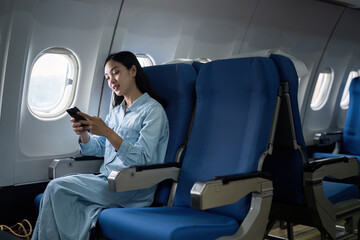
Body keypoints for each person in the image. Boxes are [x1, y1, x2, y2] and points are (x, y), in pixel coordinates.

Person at [32, 51, 169, 240]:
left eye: (116, 72)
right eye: (107, 77)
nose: (111, 80)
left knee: (57, 188)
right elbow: (98, 149)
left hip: (130, 186)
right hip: (107, 180)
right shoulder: (116, 112)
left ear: (133, 70)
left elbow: (142, 159)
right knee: (63, 197)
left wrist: (107, 131)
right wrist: (84, 134)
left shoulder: (153, 111)